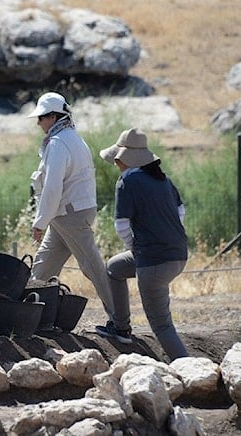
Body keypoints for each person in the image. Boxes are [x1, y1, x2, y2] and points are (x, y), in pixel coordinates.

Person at [96, 127, 189, 360]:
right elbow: (181, 212)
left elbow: (122, 226)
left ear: (123, 158)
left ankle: (193, 371)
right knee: (114, 268)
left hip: (153, 262)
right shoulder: (163, 179)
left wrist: (135, 248)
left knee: (163, 327)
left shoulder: (127, 180)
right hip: (178, 255)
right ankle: (120, 327)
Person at [26, 92, 115, 328]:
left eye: (41, 117)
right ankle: (27, 318)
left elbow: (53, 187)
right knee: (42, 269)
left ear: (54, 117)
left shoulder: (58, 144)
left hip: (68, 214)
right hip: (66, 213)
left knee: (93, 268)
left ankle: (120, 319)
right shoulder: (71, 138)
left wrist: (40, 222)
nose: (38, 122)